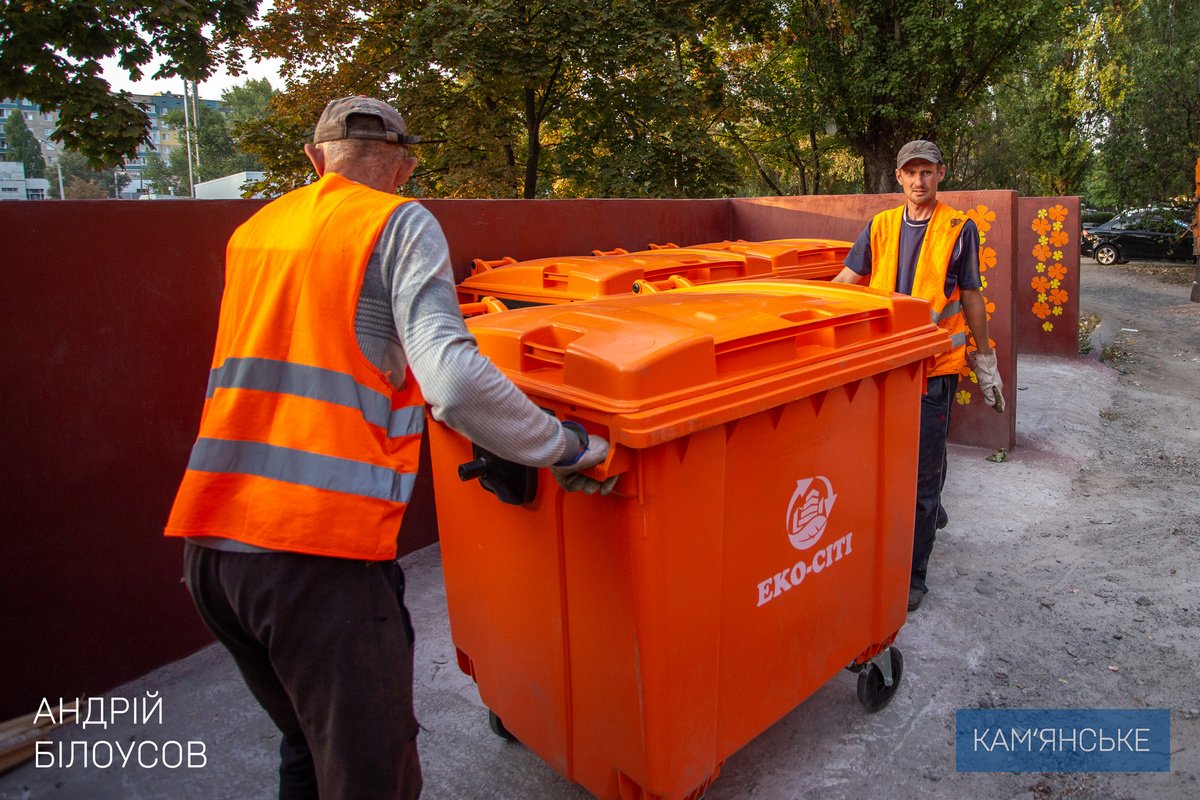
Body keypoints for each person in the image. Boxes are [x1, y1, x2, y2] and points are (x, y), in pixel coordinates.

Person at [163, 95, 614, 800]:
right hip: (315, 559)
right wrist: (565, 446)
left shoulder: (255, 230)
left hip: (213, 552)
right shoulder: (398, 222)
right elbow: (455, 382)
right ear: (404, 166)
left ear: (315, 161)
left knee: (308, 753)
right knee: (370, 776)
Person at [832, 139, 1004, 613]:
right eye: (911, 172)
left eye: (927, 172)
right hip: (885, 370)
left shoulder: (957, 228)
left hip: (934, 369)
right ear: (899, 177)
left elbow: (970, 296)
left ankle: (913, 575)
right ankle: (927, 518)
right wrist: (809, 314)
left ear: (941, 175)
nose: (919, 180)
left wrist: (984, 359)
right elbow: (848, 281)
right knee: (887, 465)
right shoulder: (881, 226)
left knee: (922, 477)